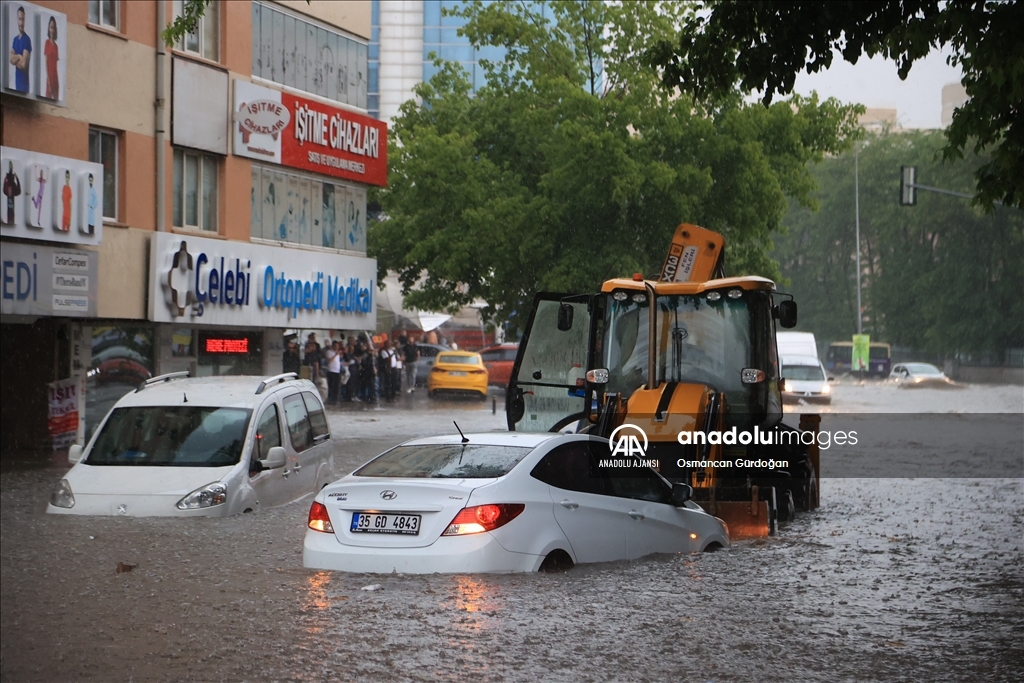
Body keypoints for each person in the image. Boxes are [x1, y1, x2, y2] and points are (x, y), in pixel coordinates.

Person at [9, 6, 31, 94]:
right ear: (17, 20)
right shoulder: (15, 40)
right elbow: (11, 59)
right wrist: (19, 56)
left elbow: (23, 64)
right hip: (16, 85)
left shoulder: (27, 40)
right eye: (20, 19)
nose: (21, 23)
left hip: (24, 87)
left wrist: (15, 59)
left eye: (23, 19)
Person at [44, 16, 58, 100]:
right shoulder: (47, 43)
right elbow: (46, 62)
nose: (52, 30)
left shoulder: (56, 46)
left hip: (55, 79)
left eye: (53, 28)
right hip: (50, 79)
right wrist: (49, 80)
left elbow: (56, 65)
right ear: (49, 29)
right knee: (47, 100)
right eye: (51, 27)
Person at [325, 340, 342, 405]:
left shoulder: (338, 353)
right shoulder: (329, 352)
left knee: (337, 386)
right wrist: (335, 355)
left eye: (337, 346)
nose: (337, 347)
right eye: (335, 346)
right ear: (333, 346)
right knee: (331, 386)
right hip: (331, 371)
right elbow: (329, 361)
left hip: (337, 371)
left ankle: (336, 399)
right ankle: (331, 399)